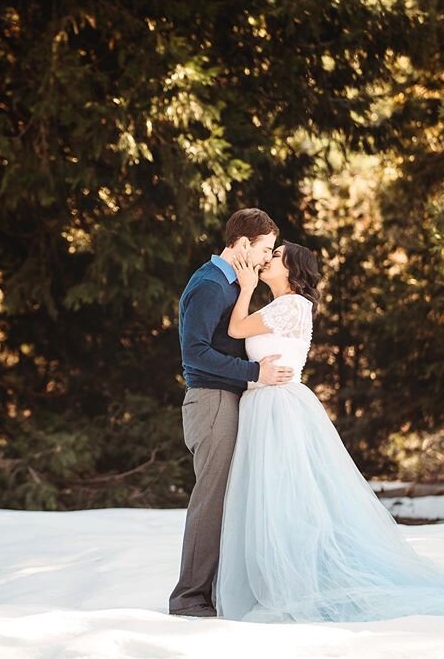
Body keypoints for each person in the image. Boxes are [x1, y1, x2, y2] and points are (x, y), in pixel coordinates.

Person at [215, 241, 444, 624]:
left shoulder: (293, 305)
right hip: (264, 405)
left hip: (280, 408)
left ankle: (298, 578)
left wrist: (245, 286)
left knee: (288, 494)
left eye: (277, 256)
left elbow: (236, 328)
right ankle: (275, 574)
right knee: (271, 495)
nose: (268, 260)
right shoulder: (276, 307)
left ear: (293, 270)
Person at [169, 208, 295, 618]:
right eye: (265, 249)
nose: (266, 258)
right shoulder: (209, 285)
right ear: (242, 244)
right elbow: (196, 354)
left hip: (227, 399)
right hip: (211, 401)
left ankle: (214, 593)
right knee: (211, 499)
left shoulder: (231, 284)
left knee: (227, 498)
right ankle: (188, 599)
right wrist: (255, 372)